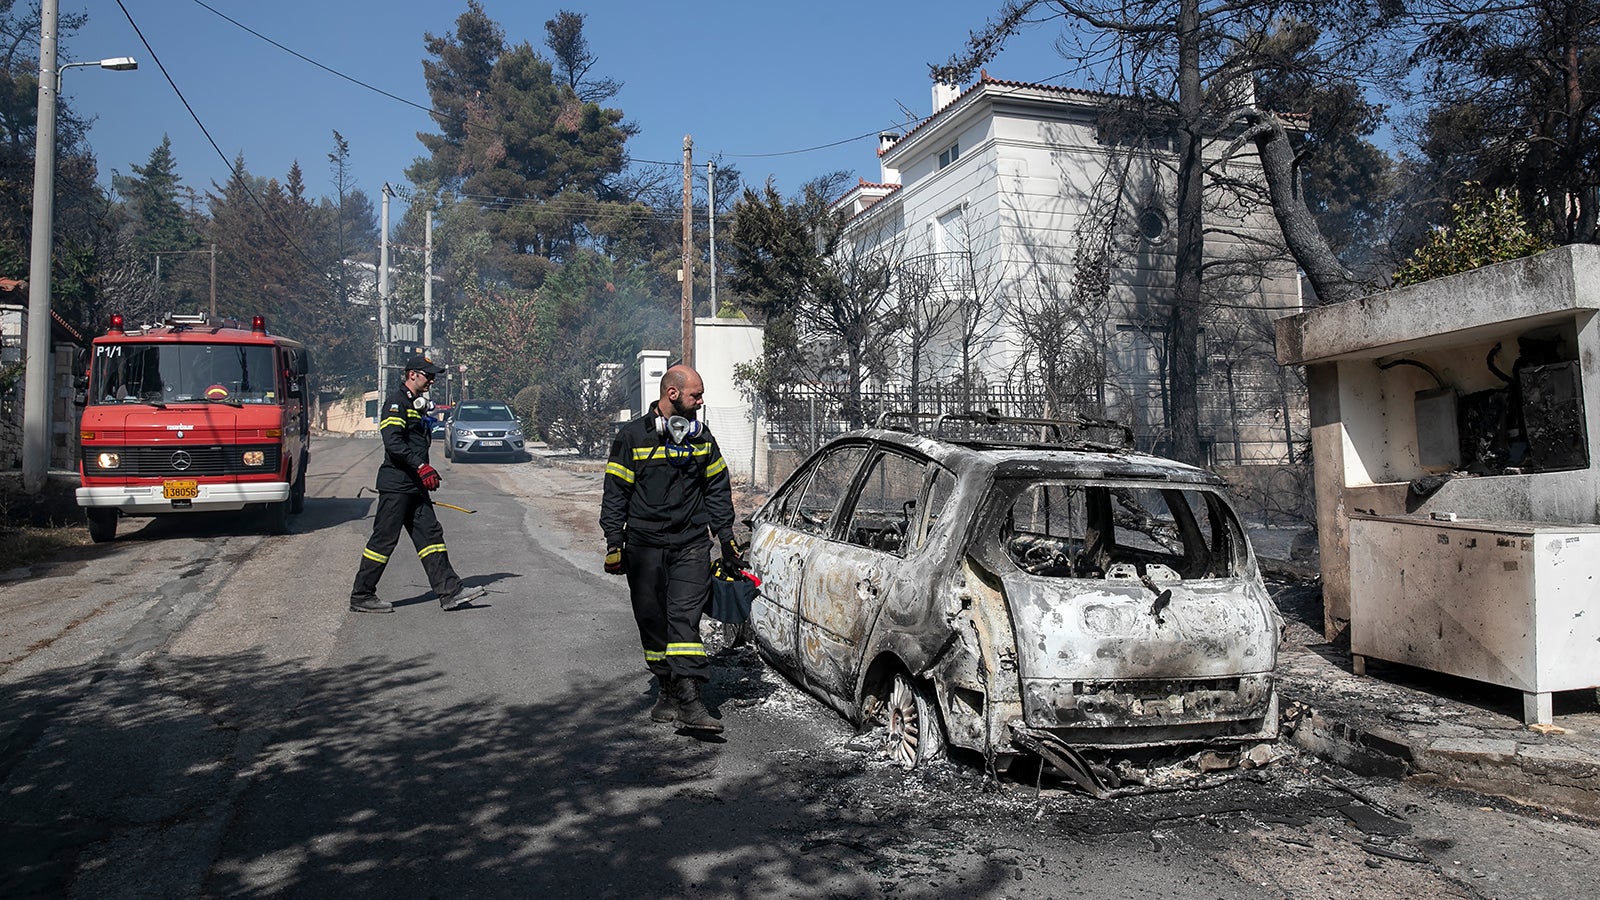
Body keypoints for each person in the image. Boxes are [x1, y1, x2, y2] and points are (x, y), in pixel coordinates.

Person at [600, 364, 744, 732]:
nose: (701, 401)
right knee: (651, 620)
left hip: (692, 544)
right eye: (696, 395)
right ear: (673, 394)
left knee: (684, 617)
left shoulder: (702, 438)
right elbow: (615, 494)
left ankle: (690, 700)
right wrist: (614, 541)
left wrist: (725, 536)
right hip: (644, 547)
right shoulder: (632, 437)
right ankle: (665, 689)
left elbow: (716, 488)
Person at [349, 355, 487, 614]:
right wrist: (421, 466)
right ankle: (361, 595)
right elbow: (393, 443)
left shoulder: (416, 404)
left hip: (414, 486)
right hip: (397, 484)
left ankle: (450, 592)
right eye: (428, 375)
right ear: (412, 374)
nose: (432, 379)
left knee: (431, 537)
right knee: (384, 541)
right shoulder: (396, 403)